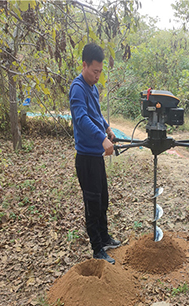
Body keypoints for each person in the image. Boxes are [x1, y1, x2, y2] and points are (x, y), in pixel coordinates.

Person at [69, 42, 120, 264]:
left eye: (100, 71)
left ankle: (105, 237)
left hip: (96, 157)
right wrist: (101, 139)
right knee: (92, 203)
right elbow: (81, 119)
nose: (98, 75)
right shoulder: (78, 88)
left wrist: (108, 129)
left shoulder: (92, 88)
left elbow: (96, 114)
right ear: (84, 65)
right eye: (95, 71)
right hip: (86, 158)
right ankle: (97, 248)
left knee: (103, 200)